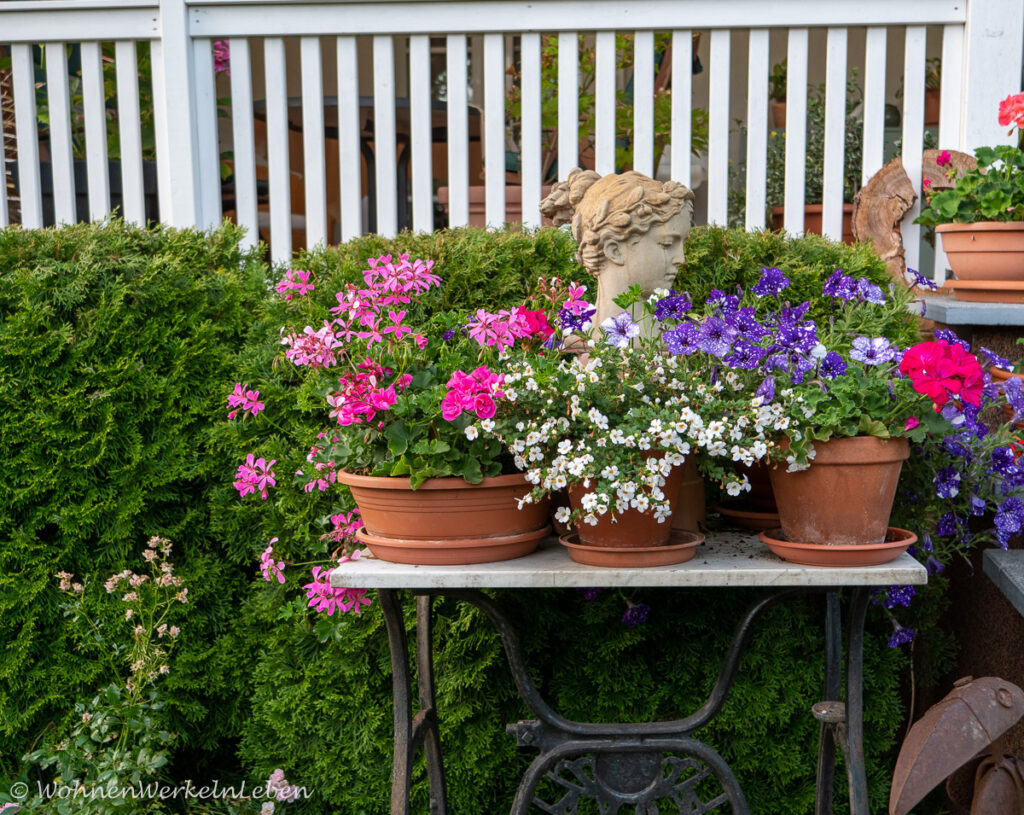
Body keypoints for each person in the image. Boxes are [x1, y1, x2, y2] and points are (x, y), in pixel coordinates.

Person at [540, 168, 694, 331]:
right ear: (614, 250)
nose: (680, 259)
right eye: (667, 244)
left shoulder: (679, 337)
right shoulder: (572, 341)